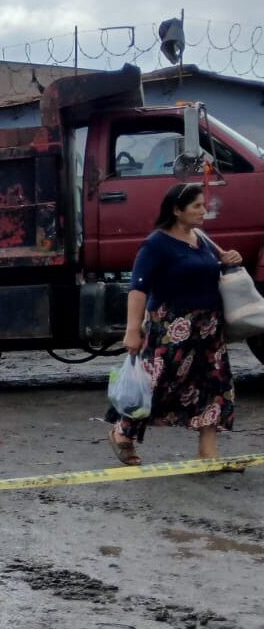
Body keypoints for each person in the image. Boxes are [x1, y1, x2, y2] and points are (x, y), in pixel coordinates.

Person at [108, 183, 243, 466]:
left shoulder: (202, 239)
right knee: (158, 384)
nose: (204, 211)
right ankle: (123, 433)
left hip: (208, 330)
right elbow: (138, 289)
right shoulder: (156, 244)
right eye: (197, 206)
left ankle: (207, 454)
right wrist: (132, 330)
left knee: (214, 386)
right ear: (176, 210)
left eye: (204, 205)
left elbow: (212, 268)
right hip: (172, 329)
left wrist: (229, 258)